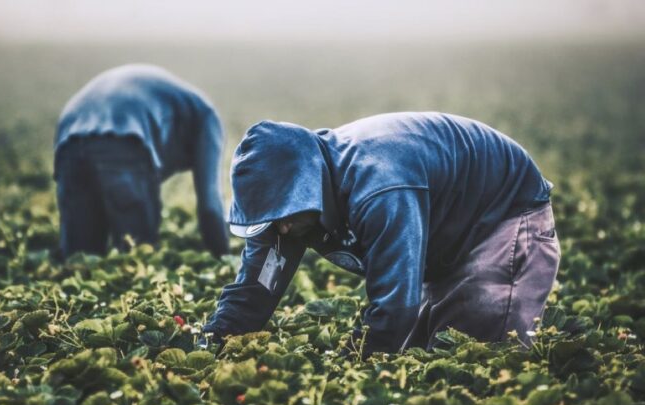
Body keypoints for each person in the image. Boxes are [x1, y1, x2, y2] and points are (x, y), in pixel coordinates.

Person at [203, 112, 561, 355]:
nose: (280, 229)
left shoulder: (380, 187)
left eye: (285, 214)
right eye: (270, 219)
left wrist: (351, 362)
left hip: (503, 214)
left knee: (482, 353)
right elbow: (255, 288)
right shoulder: (289, 214)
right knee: (430, 352)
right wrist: (212, 344)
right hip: (443, 231)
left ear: (308, 187)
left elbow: (396, 305)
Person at [53, 64, 229, 259]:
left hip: (69, 136)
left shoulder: (179, 108)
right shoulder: (208, 118)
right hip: (124, 134)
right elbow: (210, 206)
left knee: (80, 259)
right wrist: (223, 257)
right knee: (137, 256)